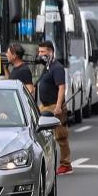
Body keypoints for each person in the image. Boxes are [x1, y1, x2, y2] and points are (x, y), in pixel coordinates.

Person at [36, 39, 72, 174]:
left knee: (61, 136)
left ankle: (65, 164)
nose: (40, 54)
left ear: (50, 52)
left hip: (54, 107)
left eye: (43, 52)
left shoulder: (57, 68)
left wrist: (58, 107)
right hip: (44, 106)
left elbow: (61, 88)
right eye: (39, 52)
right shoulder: (47, 67)